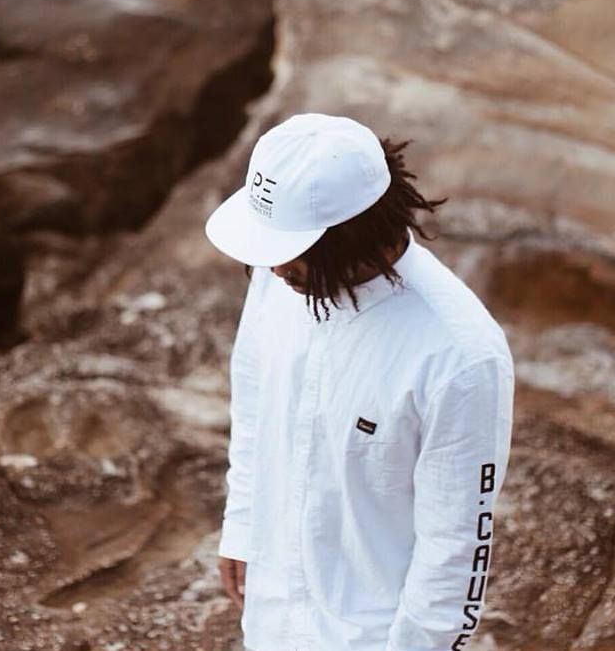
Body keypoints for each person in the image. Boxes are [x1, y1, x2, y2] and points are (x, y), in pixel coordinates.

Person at [204, 112, 515, 651]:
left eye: (288, 250)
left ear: (351, 236)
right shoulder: (283, 279)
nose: (274, 268)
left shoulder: (459, 356)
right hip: (270, 617)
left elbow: (455, 549)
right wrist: (243, 524)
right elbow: (254, 399)